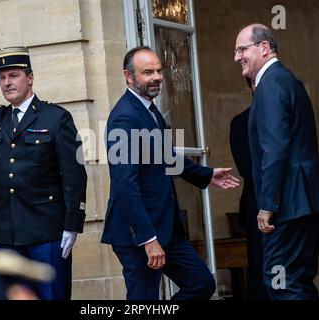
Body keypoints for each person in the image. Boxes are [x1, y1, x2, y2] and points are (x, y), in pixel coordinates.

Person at [0, 46, 87, 300]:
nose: (7, 83)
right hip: (8, 232)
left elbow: (74, 175)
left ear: (29, 77)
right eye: (2, 77)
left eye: (13, 75)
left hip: (47, 231)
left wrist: (73, 223)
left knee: (50, 295)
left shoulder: (55, 118)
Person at [101, 46, 240, 300]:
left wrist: (206, 175)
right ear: (129, 76)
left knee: (201, 284)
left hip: (165, 228)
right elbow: (125, 185)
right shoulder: (124, 118)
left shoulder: (151, 111)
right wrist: (147, 239)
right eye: (148, 72)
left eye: (158, 71)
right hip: (139, 234)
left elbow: (166, 159)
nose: (156, 77)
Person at [233, 24, 319, 299]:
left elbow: (275, 148)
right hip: (309, 199)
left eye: (242, 49)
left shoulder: (269, 85)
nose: (236, 57)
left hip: (290, 204)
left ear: (264, 48)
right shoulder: (287, 80)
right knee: (299, 279)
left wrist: (267, 205)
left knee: (281, 281)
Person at [229, 76, 268, 300]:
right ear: (252, 87)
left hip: (291, 206)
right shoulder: (240, 123)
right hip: (257, 204)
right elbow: (248, 170)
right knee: (261, 273)